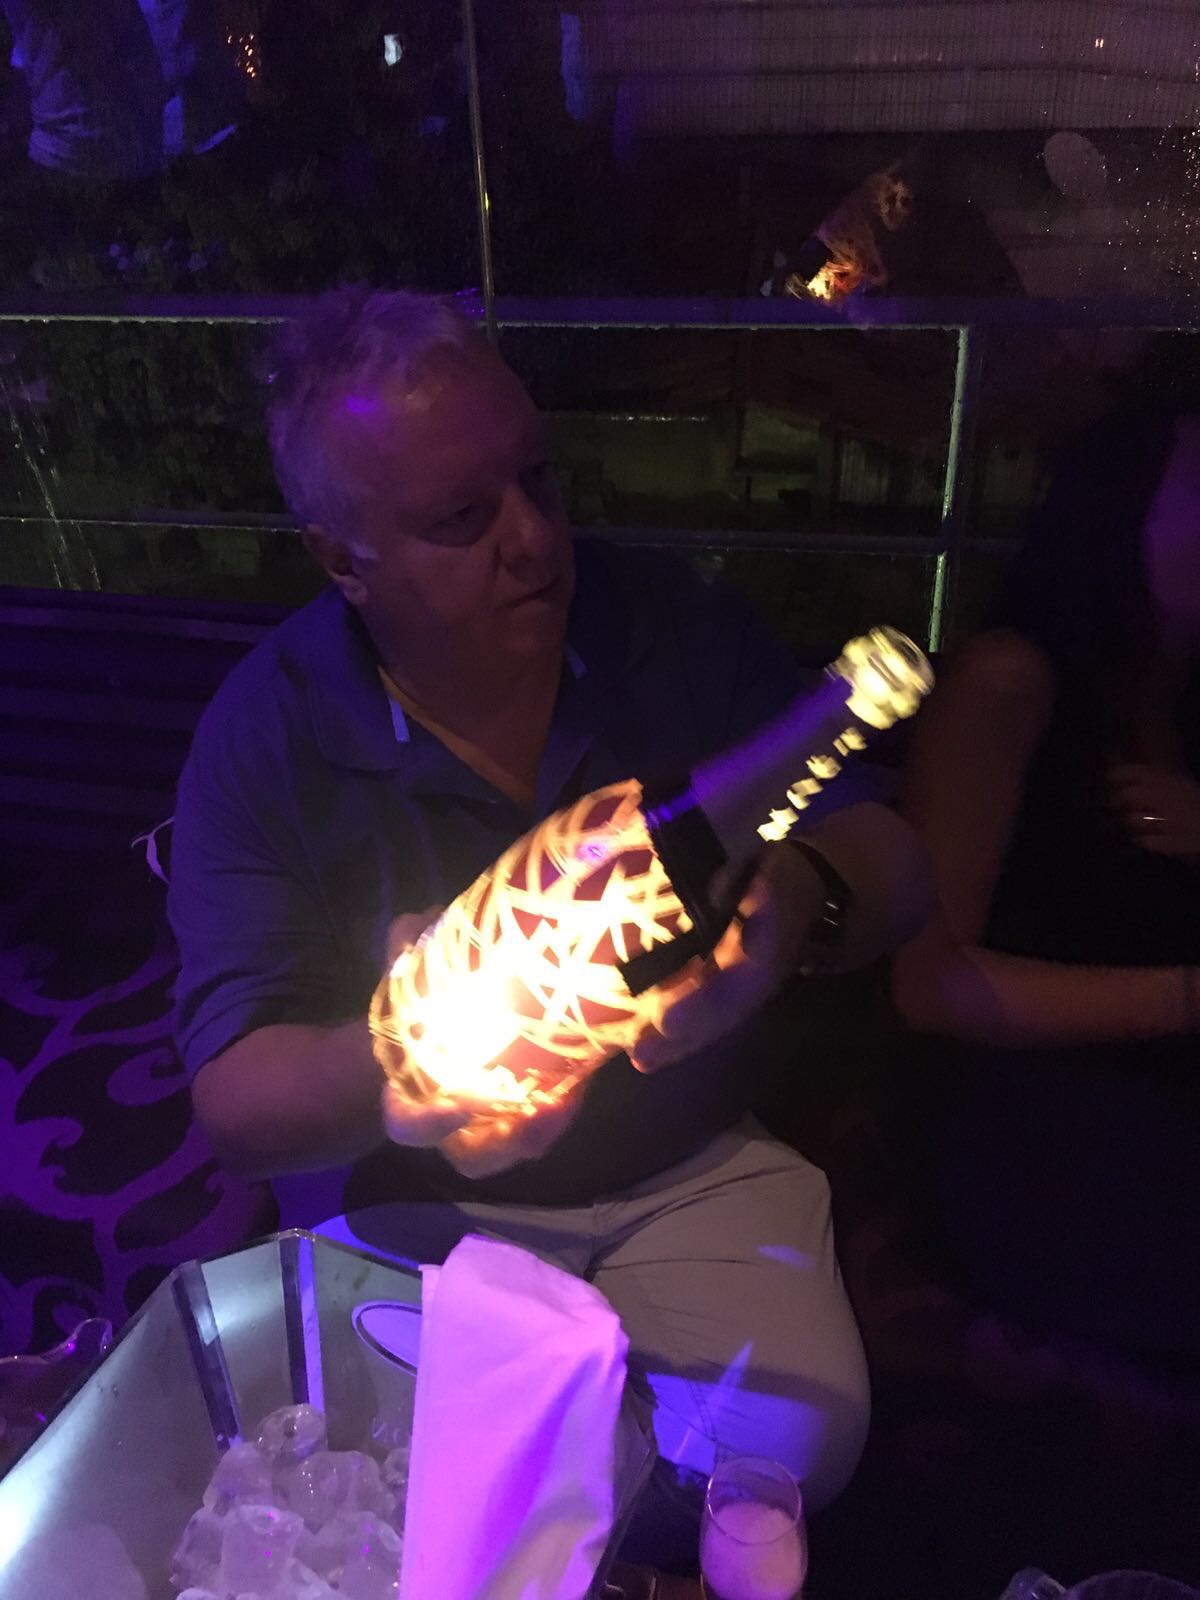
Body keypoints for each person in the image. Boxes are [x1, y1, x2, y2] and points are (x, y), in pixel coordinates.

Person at [168, 288, 930, 1557]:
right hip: (418, 1201)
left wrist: (798, 901)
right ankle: (568, 1474)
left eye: (538, 480)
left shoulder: (668, 624)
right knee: (363, 1459)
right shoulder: (265, 734)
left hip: (689, 1164)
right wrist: (412, 1051)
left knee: (795, 1446)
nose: (534, 540)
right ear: (340, 558)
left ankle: (549, 1471)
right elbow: (236, 1106)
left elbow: (899, 866)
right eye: (462, 518)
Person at [891, 403, 1200, 1379]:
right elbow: (927, 985)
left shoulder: (1177, 695)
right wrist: (1185, 997)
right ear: (1123, 501)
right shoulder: (1010, 679)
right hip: (1048, 1127)